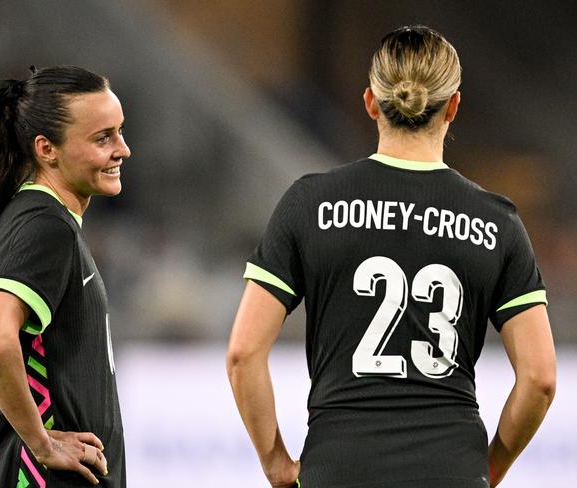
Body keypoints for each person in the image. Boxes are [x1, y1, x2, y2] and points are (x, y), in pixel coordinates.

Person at [227, 25, 556, 488]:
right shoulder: (496, 222)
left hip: (338, 468)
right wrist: (489, 468)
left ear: (370, 102)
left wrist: (276, 463)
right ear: (454, 107)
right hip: (451, 469)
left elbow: (243, 353)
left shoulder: (310, 204)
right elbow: (540, 377)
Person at [0, 65, 130, 487]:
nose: (123, 149)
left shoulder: (34, 219)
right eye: (103, 137)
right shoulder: (45, 225)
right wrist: (43, 444)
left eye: (120, 131)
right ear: (47, 149)